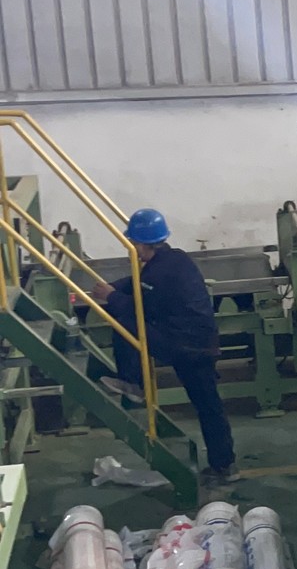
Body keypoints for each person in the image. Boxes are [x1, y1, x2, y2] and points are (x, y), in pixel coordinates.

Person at [90, 208, 239, 486]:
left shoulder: (159, 272)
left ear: (141, 244)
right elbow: (137, 282)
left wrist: (111, 296)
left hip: (186, 346)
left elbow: (140, 306)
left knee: (125, 323)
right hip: (195, 342)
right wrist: (113, 287)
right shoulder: (174, 259)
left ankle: (133, 384)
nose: (131, 247)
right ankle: (224, 464)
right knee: (209, 406)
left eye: (133, 242)